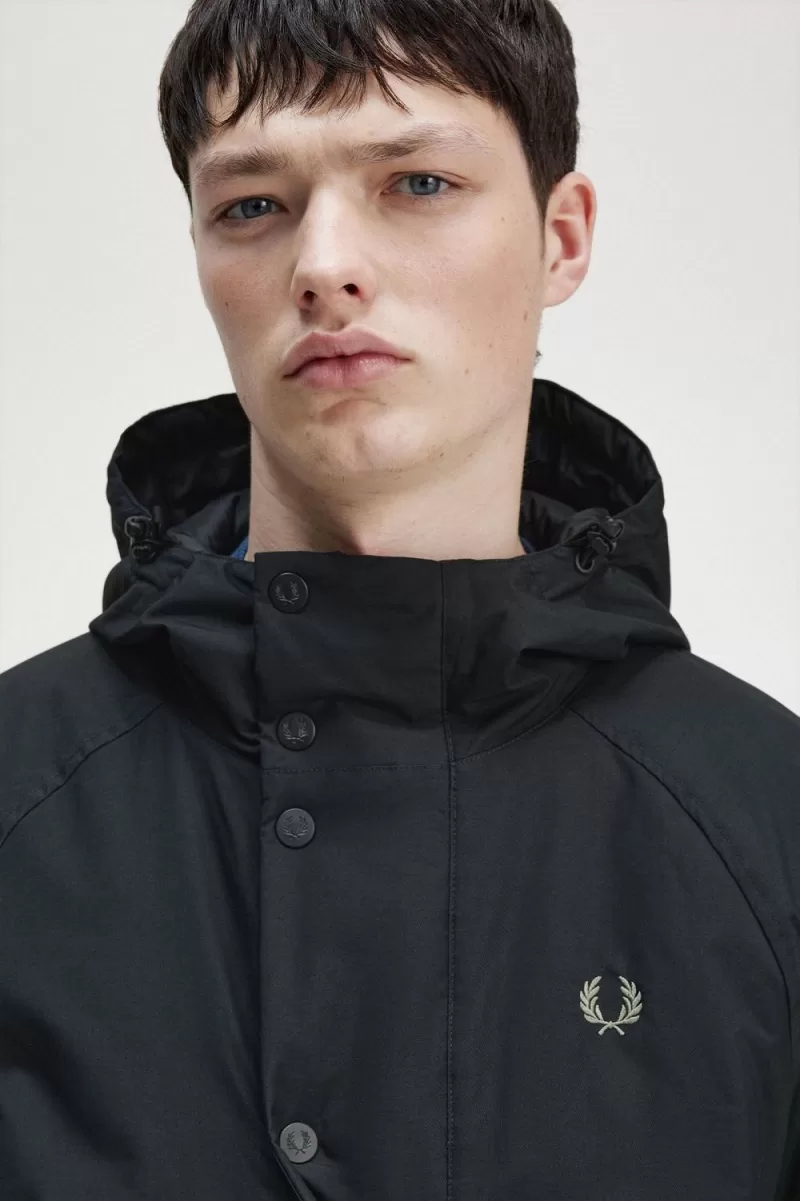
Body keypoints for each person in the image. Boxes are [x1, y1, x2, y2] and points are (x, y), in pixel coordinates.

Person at [1, 0, 798, 1196]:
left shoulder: (765, 823)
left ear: (560, 237)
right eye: (251, 205)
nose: (322, 265)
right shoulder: (19, 795)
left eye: (417, 183)